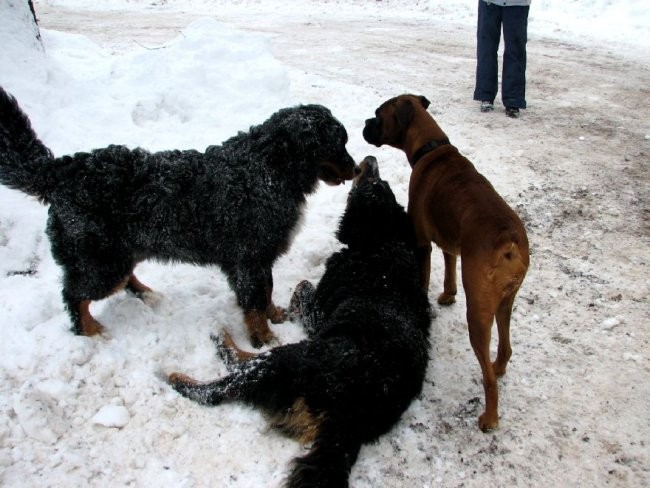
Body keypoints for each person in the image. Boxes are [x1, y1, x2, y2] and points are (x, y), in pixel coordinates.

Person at [473, 0, 531, 118]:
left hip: (517, 4)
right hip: (489, 3)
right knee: (486, 49)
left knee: (515, 51)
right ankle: (485, 95)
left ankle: (513, 100)